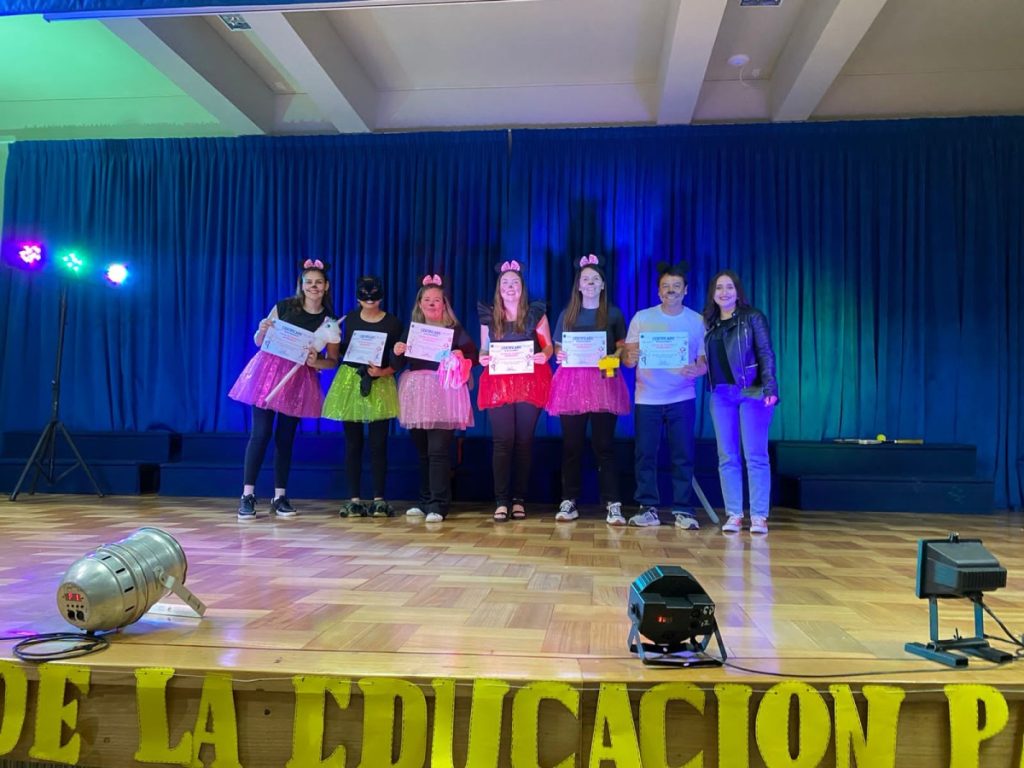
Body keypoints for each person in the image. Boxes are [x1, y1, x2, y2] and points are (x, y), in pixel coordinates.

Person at [229, 259, 340, 520]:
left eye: (318, 282)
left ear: (326, 286)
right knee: (261, 433)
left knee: (285, 437)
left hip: (298, 379)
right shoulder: (283, 307)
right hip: (268, 374)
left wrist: (316, 362)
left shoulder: (329, 322)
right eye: (308, 282)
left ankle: (279, 496)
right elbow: (260, 342)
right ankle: (247, 495)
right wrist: (261, 329)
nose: (313, 286)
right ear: (302, 284)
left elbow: (332, 361)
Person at [546, 254, 631, 525]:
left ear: (603, 284)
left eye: (595, 279)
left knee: (604, 445)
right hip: (571, 384)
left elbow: (622, 345)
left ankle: (613, 503)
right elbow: (558, 347)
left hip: (604, 382)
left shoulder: (613, 313)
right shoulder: (567, 314)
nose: (591, 283)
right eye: (586, 279)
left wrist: (616, 355)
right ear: (579, 285)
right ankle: (569, 500)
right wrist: (559, 354)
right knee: (572, 445)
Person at [622, 262, 707, 529]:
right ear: (659, 291)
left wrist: (697, 369)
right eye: (666, 286)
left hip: (681, 396)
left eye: (676, 286)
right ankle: (648, 508)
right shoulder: (642, 318)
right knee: (645, 454)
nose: (671, 290)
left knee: (683, 454)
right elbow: (627, 359)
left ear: (686, 290)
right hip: (647, 397)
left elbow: (704, 361)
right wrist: (630, 357)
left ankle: (683, 510)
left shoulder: (697, 321)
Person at [392, 275, 477, 523]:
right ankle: (425, 500)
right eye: (427, 299)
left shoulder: (454, 330)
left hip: (444, 392)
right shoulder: (413, 330)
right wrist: (397, 351)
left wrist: (460, 354)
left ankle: (439, 505)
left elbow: (472, 355)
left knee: (438, 451)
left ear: (444, 304)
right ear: (419, 304)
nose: (431, 303)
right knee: (424, 453)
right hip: (417, 394)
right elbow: (397, 363)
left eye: (436, 299)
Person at [702, 270, 778, 534]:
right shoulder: (710, 323)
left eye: (729, 287)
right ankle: (734, 514)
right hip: (721, 395)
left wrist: (770, 386)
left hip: (752, 391)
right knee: (727, 456)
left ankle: (758, 516)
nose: (724, 292)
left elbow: (765, 352)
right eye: (719, 288)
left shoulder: (752, 317)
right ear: (712, 293)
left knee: (755, 455)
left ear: (738, 291)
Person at [477, 260, 553, 521]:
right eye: (505, 283)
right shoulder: (489, 316)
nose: (510, 287)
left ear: (522, 287)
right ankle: (501, 500)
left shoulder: (535, 314)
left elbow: (548, 346)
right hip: (499, 383)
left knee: (523, 441)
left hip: (530, 383)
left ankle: (519, 499)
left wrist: (545, 355)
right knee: (502, 441)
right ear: (499, 288)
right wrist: (482, 357)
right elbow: (484, 347)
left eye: (515, 282)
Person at [322, 276, 403, 518]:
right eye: (364, 294)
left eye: (374, 294)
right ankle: (354, 499)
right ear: (358, 297)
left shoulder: (393, 323)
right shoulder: (349, 319)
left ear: (381, 296)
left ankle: (379, 499)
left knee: (379, 444)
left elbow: (399, 359)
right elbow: (339, 348)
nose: (369, 299)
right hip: (352, 382)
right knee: (353, 443)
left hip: (380, 383)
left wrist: (383, 371)